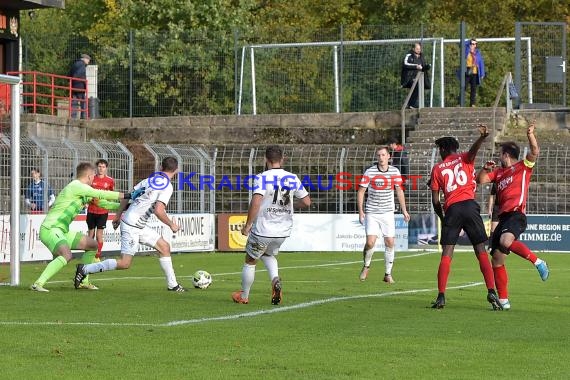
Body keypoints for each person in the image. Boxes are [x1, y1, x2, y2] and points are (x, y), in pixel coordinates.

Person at [75, 156, 187, 292]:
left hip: (137, 224)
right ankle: (84, 269)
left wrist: (117, 216)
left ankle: (173, 285)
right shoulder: (167, 186)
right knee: (124, 263)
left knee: (164, 247)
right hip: (132, 226)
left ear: (160, 168)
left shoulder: (149, 180)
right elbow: (159, 210)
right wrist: (171, 225)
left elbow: (129, 196)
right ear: (176, 170)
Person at [31, 162, 141, 292]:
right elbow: (100, 193)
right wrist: (127, 195)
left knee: (92, 245)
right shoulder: (76, 186)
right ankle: (38, 283)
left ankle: (83, 281)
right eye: (93, 175)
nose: (94, 178)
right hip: (50, 229)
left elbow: (104, 204)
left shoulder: (84, 191)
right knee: (66, 255)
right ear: (89, 176)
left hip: (61, 231)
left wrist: (128, 206)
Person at [476, 121, 549, 310]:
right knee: (497, 259)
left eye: (499, 154)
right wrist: (485, 168)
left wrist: (530, 135)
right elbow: (480, 180)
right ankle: (504, 300)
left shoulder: (523, 167)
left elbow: (535, 151)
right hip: (503, 218)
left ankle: (538, 261)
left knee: (506, 241)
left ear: (506, 155)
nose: (498, 157)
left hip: (516, 214)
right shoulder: (498, 173)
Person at [429, 125, 501, 310]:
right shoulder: (464, 158)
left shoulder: (437, 169)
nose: (439, 153)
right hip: (470, 206)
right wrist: (482, 137)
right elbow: (472, 152)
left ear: (444, 149)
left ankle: (441, 295)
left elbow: (436, 201)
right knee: (481, 251)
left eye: (439, 149)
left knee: (447, 253)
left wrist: (443, 218)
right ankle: (491, 290)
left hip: (452, 208)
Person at [232, 145, 311, 305]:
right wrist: (289, 206)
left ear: (265, 160)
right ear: (282, 159)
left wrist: (248, 225)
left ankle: (244, 296)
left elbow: (256, 202)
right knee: (268, 255)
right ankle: (275, 280)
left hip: (263, 229)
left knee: (250, 260)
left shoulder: (262, 177)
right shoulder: (292, 177)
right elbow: (306, 201)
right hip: (283, 230)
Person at [358, 146, 410, 284]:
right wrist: (361, 211)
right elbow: (361, 191)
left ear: (388, 157)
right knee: (370, 242)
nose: (381, 157)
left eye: (383, 155)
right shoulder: (370, 172)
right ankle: (366, 265)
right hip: (372, 212)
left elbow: (399, 191)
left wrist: (404, 210)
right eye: (378, 155)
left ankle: (388, 274)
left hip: (387, 212)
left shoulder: (395, 171)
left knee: (390, 242)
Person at [87, 159, 115, 262]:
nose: (101, 169)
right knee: (90, 234)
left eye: (103, 167)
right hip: (91, 210)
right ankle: (88, 255)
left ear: (106, 168)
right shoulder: (91, 178)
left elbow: (111, 195)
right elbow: (87, 191)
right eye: (99, 166)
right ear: (97, 167)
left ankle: (97, 256)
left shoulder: (110, 181)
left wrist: (106, 203)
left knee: (99, 235)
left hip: (102, 211)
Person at [401, 42, 431, 109]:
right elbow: (405, 64)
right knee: (417, 85)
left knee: (420, 86)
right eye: (417, 48)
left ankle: (413, 104)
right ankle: (412, 104)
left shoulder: (422, 57)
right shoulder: (409, 55)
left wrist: (426, 67)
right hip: (409, 78)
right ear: (413, 49)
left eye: (419, 49)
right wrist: (416, 66)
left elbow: (422, 68)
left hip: (419, 78)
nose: (419, 50)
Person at [463, 38, 485, 107]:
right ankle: (460, 102)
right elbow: (462, 43)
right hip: (467, 71)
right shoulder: (466, 51)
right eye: (472, 44)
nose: (474, 45)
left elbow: (481, 63)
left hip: (475, 72)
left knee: (473, 89)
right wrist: (469, 42)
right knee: (464, 87)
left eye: (475, 44)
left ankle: (472, 103)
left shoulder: (477, 52)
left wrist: (482, 73)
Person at [69, 53, 90, 119]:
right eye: (88, 60)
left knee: (74, 101)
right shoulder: (82, 65)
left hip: (73, 86)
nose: (88, 62)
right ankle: (83, 117)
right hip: (80, 86)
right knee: (83, 102)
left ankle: (73, 117)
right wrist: (85, 85)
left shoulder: (75, 64)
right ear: (85, 59)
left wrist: (72, 81)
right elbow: (81, 75)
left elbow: (69, 74)